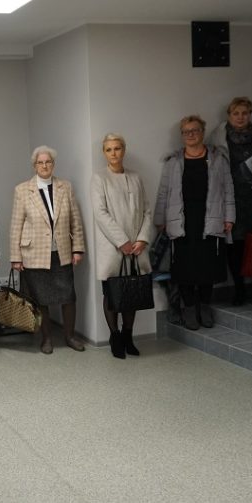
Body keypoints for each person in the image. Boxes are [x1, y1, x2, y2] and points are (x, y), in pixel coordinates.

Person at [156, 116, 235, 330]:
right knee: (184, 268)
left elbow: (228, 189)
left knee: (208, 266)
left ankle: (205, 307)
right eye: (186, 131)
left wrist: (229, 217)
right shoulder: (173, 162)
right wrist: (160, 220)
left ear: (203, 132)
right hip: (181, 222)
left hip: (210, 219)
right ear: (182, 135)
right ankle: (189, 308)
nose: (191, 134)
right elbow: (163, 192)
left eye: (195, 130)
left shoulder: (218, 159)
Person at [9, 145, 86, 354]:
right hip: (34, 253)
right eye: (40, 162)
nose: (44, 166)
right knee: (40, 299)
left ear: (53, 164)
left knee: (68, 296)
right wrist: (16, 257)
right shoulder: (22, 190)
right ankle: (46, 339)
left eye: (48, 162)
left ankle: (70, 336)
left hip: (62, 251)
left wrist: (78, 249)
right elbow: (16, 225)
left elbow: (75, 220)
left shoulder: (65, 187)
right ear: (34, 166)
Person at [91, 133, 152, 358]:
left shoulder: (136, 177)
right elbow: (100, 213)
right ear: (104, 153)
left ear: (124, 150)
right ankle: (114, 336)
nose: (114, 153)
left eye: (117, 148)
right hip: (112, 247)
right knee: (112, 292)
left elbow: (146, 210)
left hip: (136, 248)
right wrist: (122, 241)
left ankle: (128, 335)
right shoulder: (99, 178)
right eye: (109, 149)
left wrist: (142, 238)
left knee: (132, 292)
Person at [206, 96, 252, 306]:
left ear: (250, 114)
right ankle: (239, 288)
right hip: (231, 199)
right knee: (235, 247)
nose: (240, 117)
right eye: (236, 113)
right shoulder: (218, 138)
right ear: (229, 115)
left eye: (245, 113)